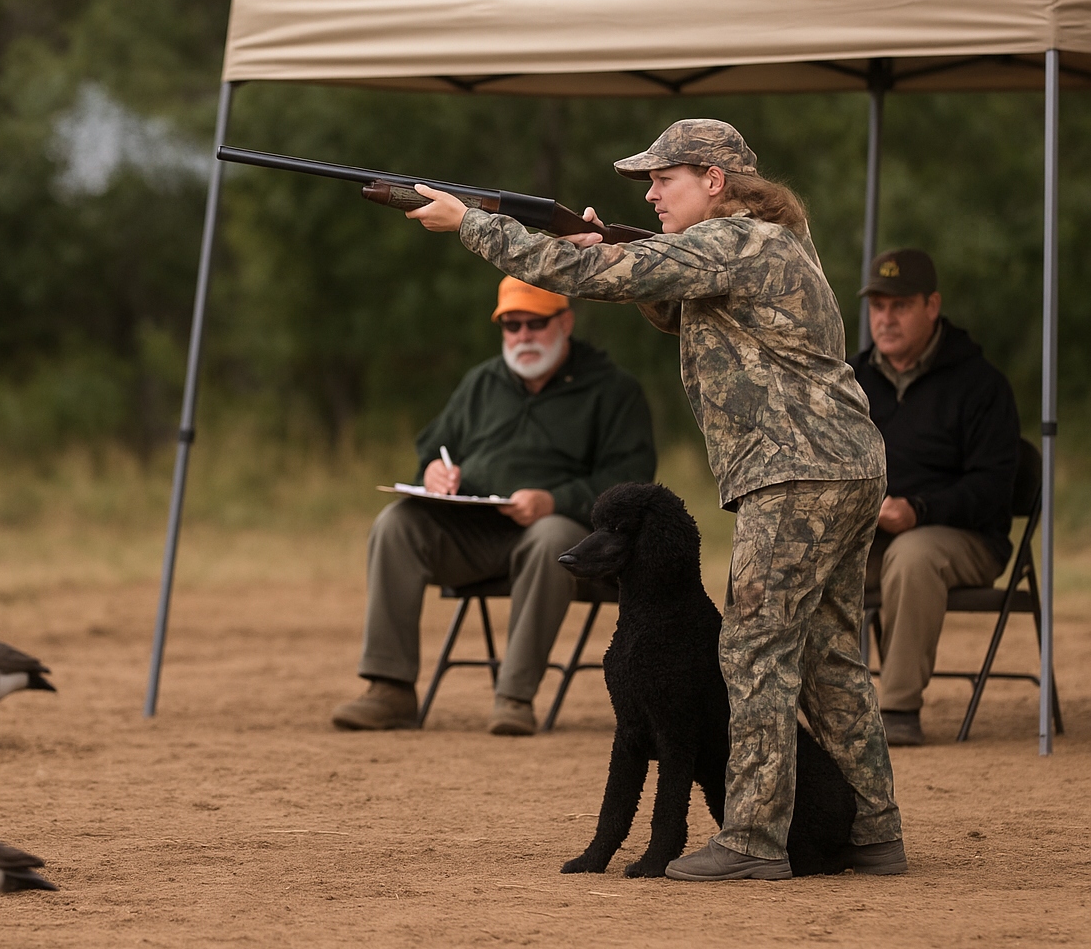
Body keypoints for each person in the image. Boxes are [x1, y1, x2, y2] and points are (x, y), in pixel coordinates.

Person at [406, 119, 904, 880]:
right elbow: (672, 303)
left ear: (714, 181)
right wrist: (601, 247)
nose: (650, 194)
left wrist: (470, 223)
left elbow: (592, 279)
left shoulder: (733, 238)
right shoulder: (766, 242)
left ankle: (753, 840)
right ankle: (872, 831)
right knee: (826, 652)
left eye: (663, 180)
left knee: (754, 649)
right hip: (840, 464)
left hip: (796, 471)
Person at [331, 276, 656, 737]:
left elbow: (631, 484)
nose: (523, 336)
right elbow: (433, 449)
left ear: (565, 322)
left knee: (550, 538)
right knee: (395, 524)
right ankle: (390, 690)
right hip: (475, 534)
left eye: (535, 323)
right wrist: (433, 472)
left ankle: (514, 697)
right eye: (511, 325)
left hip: (565, 543)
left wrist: (553, 501)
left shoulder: (613, 390)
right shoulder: (482, 382)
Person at [852, 248, 1020, 747]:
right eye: (878, 306)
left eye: (900, 306)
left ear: (932, 306)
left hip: (964, 537)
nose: (885, 318)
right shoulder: (850, 380)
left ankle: (898, 709)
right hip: (867, 537)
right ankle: (787, 707)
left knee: (914, 555)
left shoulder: (982, 386)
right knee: (789, 552)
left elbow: (993, 487)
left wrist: (919, 510)